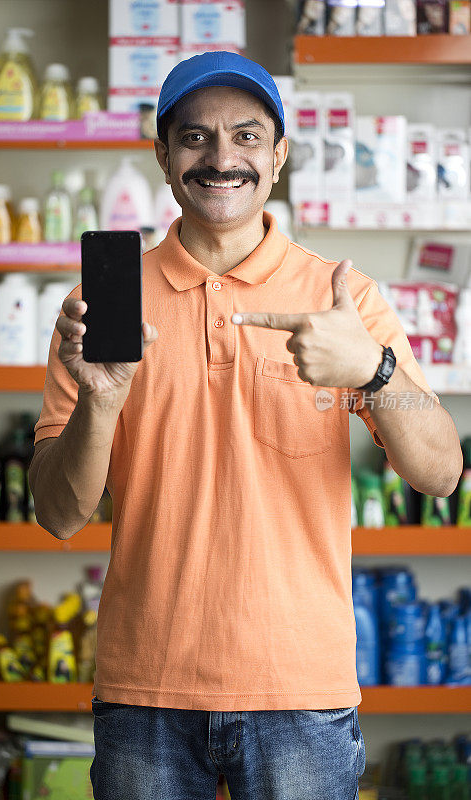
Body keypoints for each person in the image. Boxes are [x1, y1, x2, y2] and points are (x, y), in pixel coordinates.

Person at [29, 51, 462, 800]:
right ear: (162, 155)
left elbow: (440, 473)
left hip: (301, 690)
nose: (222, 157)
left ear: (281, 154)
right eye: (194, 138)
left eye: (247, 136)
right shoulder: (103, 303)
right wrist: (100, 401)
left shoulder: (342, 295)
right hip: (145, 693)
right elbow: (58, 515)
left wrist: (374, 370)